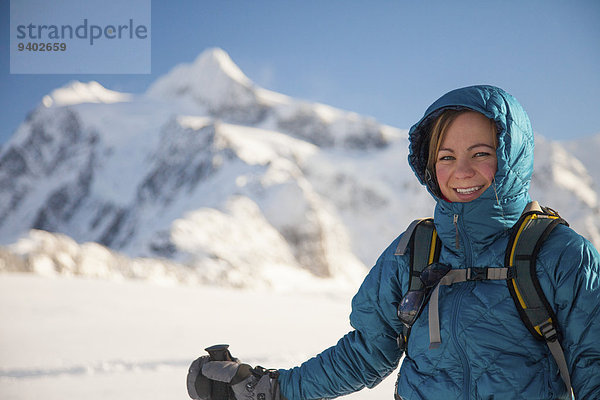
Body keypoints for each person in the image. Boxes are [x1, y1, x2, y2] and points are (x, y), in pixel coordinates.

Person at [187, 85, 600, 399]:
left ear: (511, 158)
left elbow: (593, 365)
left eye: (481, 153)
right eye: (446, 157)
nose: (462, 171)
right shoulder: (415, 252)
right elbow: (367, 352)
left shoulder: (559, 253)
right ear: (429, 164)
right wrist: (272, 389)